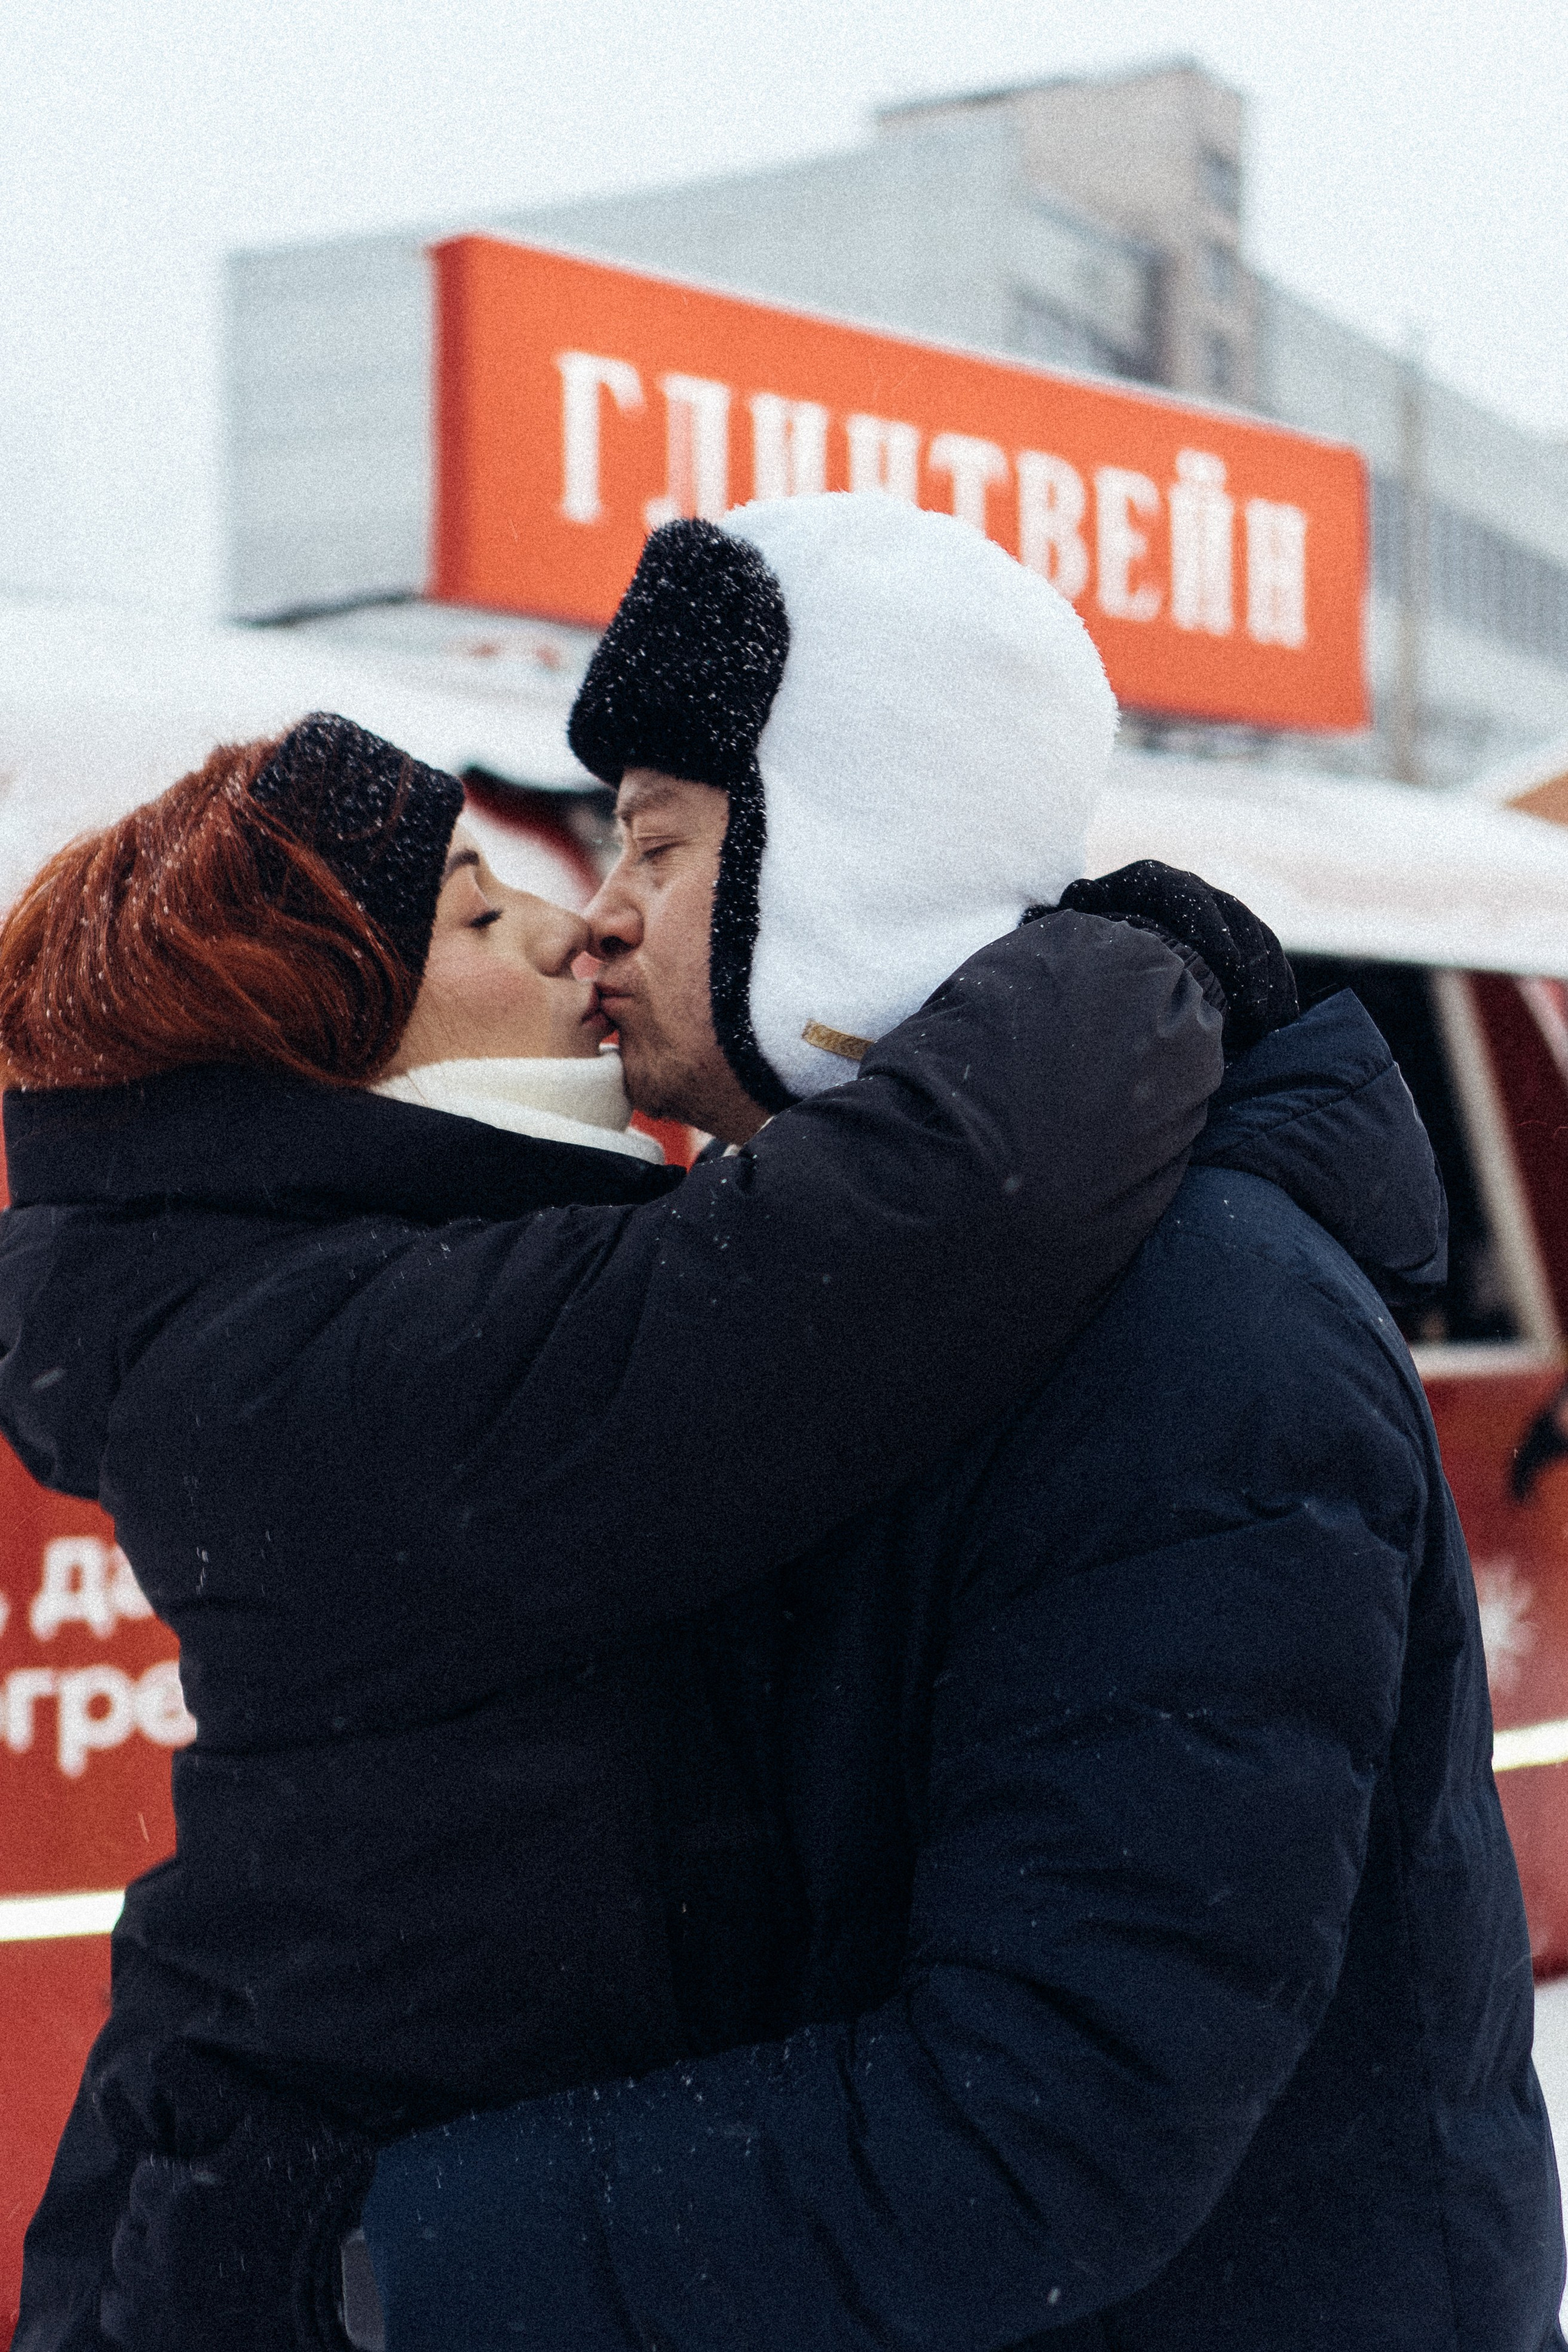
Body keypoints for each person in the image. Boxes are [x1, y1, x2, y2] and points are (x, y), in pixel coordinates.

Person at [104, 496, 1564, 2352]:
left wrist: (374, 2262)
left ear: (847, 861)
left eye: (657, 841)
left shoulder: (1198, 1329)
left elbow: (1050, 2117)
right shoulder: (858, 1305)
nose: (597, 916)